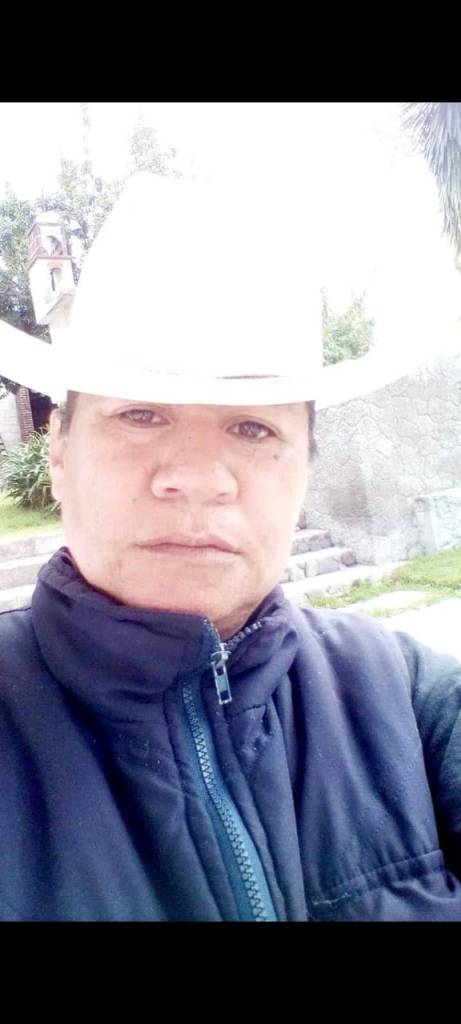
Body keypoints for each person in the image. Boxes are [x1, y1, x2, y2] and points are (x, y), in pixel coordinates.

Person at [0, 173, 460, 922]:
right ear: (58, 451)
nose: (197, 478)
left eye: (252, 428)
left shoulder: (409, 699)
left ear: (304, 468)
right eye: (140, 415)